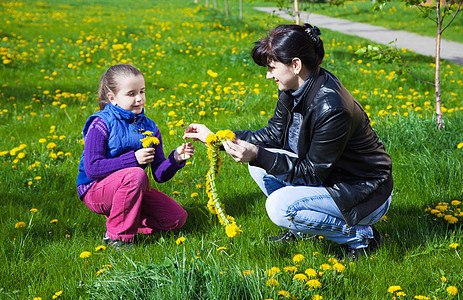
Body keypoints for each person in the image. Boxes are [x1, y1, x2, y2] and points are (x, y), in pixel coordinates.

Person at [184, 24, 392, 260]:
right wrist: (216, 138)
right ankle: (305, 230)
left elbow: (312, 174)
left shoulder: (332, 108)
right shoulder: (293, 88)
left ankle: (362, 237)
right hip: (332, 179)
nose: (267, 75)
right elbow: (273, 135)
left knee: (279, 206)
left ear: (295, 65)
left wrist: (258, 155)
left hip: (364, 193)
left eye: (272, 68)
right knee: (258, 165)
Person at [77, 64, 194, 250]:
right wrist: (134, 159)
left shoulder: (150, 127)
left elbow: (159, 175)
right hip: (95, 189)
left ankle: (122, 219)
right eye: (131, 94)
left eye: (142, 91)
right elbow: (92, 168)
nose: (139, 98)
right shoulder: (100, 124)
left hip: (131, 188)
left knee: (175, 218)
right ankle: (117, 238)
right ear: (112, 98)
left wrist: (176, 159)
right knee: (136, 175)